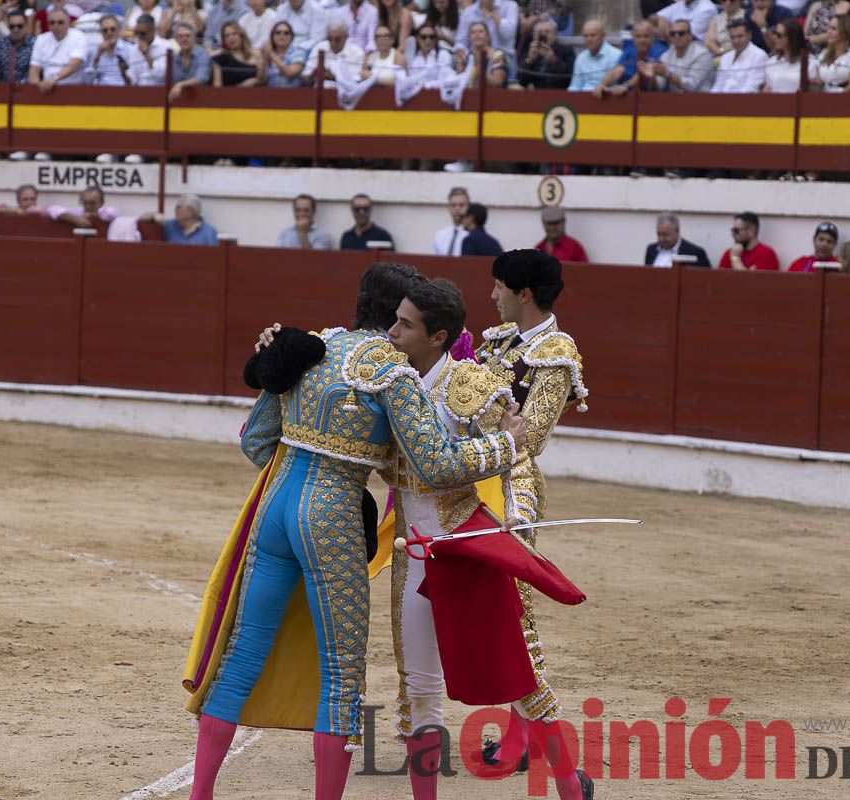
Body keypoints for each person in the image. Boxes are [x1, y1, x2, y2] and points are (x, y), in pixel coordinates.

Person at [183, 262, 526, 800]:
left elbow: (254, 441)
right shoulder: (392, 370)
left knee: (242, 654)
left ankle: (199, 793)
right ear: (395, 315)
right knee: (342, 675)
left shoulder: (309, 349)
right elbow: (433, 464)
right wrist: (505, 446)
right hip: (332, 517)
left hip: (275, 509)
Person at [381, 278, 554, 800]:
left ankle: (570, 786)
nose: (392, 331)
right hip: (413, 555)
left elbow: (518, 453)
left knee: (519, 678)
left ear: (437, 336)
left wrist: (516, 521)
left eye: (405, 324)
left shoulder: (471, 387)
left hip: (468, 548)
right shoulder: (392, 381)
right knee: (418, 689)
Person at [473, 249, 593, 800]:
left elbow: (534, 434)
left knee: (512, 609)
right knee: (494, 607)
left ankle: (534, 735)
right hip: (472, 476)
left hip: (516, 490)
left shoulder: (557, 350)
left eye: (499, 286)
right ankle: (523, 735)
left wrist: (486, 410)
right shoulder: (498, 341)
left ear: (523, 294)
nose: (492, 294)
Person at [594, 19, 665, 97]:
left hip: (654, 97)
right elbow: (618, 70)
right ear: (633, 39)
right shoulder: (629, 51)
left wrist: (626, 86)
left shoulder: (660, 51)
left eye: (646, 36)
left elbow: (644, 72)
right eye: (638, 36)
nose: (642, 40)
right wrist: (602, 84)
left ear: (652, 38)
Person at [29, 8, 87, 94]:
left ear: (69, 23)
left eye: (60, 22)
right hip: (47, 90)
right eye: (52, 22)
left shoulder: (79, 36)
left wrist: (53, 79)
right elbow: (34, 68)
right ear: (48, 25)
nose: (56, 25)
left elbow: (74, 65)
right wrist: (37, 87)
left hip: (74, 89)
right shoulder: (41, 39)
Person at [646, 18, 713, 91]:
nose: (676, 36)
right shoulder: (665, 56)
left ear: (690, 36)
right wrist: (652, 76)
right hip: (674, 100)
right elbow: (659, 87)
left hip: (701, 99)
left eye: (681, 33)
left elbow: (692, 86)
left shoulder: (703, 54)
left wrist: (667, 74)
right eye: (672, 34)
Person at [711, 18, 768, 93]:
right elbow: (718, 85)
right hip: (721, 101)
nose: (736, 41)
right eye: (732, 37)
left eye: (740, 36)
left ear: (749, 35)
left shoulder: (759, 55)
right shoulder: (726, 57)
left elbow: (752, 88)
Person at [302, 18, 365, 85]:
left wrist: (335, 78)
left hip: (347, 94)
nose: (333, 43)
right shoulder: (319, 48)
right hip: (320, 93)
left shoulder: (357, 52)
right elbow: (305, 78)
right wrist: (314, 73)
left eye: (337, 39)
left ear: (346, 37)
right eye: (329, 39)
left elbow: (358, 80)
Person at [140, 193, 220, 245]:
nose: (175, 210)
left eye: (178, 208)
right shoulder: (170, 226)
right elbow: (142, 218)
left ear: (190, 212)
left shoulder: (209, 233)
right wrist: (154, 215)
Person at [518, 17, 574, 89]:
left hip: (560, 93)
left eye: (547, 31)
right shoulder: (530, 50)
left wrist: (554, 61)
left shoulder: (566, 50)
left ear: (555, 35)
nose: (543, 34)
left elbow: (570, 78)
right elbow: (522, 82)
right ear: (534, 36)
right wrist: (529, 60)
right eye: (540, 32)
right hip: (537, 94)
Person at [814, 14, 850, 92]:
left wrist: (834, 102)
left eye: (833, 29)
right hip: (824, 98)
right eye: (829, 28)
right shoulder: (824, 53)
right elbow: (819, 82)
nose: (829, 32)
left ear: (845, 33)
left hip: (846, 99)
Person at [0, 10, 34, 83]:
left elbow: (36, 71)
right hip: (3, 89)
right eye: (12, 26)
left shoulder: (34, 44)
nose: (16, 29)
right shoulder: (2, 42)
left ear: (26, 26)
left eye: (20, 26)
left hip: (27, 88)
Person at [568, 18, 620, 92]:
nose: (589, 39)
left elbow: (618, 86)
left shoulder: (616, 55)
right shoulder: (581, 58)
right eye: (586, 36)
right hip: (583, 99)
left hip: (606, 98)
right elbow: (575, 86)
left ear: (603, 36)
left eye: (592, 35)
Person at [645, 211, 711, 267]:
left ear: (677, 230)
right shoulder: (651, 250)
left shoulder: (694, 253)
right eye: (659, 234)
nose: (661, 239)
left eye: (665, 235)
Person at [764, 18, 812, 92]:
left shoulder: (810, 62)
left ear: (791, 38)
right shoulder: (771, 62)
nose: (774, 37)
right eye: (774, 33)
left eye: (779, 35)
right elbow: (767, 89)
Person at [86, 15, 135, 86]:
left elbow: (134, 81)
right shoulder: (94, 51)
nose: (109, 33)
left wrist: (123, 72)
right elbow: (88, 81)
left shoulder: (130, 49)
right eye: (105, 30)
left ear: (119, 30)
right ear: (101, 32)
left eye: (113, 29)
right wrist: (97, 57)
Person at [168, 22, 212, 101]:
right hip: (179, 101)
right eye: (180, 36)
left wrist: (180, 85)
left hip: (202, 99)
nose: (184, 39)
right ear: (176, 39)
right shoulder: (174, 58)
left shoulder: (202, 54)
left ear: (194, 38)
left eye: (187, 36)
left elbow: (201, 78)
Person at [212, 20, 261, 86]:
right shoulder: (220, 59)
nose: (231, 38)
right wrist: (242, 86)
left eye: (234, 34)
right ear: (224, 40)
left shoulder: (256, 54)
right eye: (227, 36)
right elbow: (217, 89)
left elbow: (263, 80)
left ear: (241, 35)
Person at [259, 20, 306, 86]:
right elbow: (261, 81)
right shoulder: (268, 52)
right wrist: (265, 59)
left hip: (292, 94)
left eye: (286, 33)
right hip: (269, 93)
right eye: (278, 32)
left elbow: (289, 73)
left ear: (292, 37)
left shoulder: (299, 52)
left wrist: (271, 54)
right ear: (272, 36)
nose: (282, 35)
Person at [127, 14, 169, 87]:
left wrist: (146, 54)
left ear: (153, 30)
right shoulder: (134, 49)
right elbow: (132, 78)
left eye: (142, 33)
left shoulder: (165, 47)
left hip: (158, 89)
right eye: (137, 33)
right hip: (138, 90)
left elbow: (162, 75)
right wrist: (123, 74)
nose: (139, 36)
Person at [49, 185, 119, 228]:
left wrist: (94, 215)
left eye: (92, 203)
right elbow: (52, 209)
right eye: (85, 203)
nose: (88, 206)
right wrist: (75, 219)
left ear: (101, 203)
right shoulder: (79, 212)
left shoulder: (108, 211)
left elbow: (112, 214)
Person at [464, 20, 509, 87]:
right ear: (469, 38)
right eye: (473, 32)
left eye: (481, 31)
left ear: (488, 36)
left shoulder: (497, 56)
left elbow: (497, 82)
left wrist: (479, 67)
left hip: (492, 96)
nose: (477, 34)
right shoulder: (468, 56)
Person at [432, 187, 469, 256]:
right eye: (453, 205)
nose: (457, 209)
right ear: (448, 207)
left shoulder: (472, 235)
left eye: (461, 205)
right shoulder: (440, 235)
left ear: (468, 207)